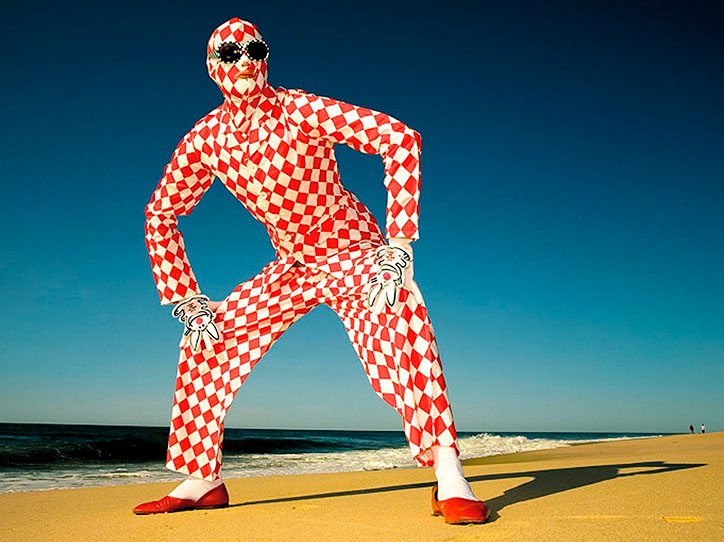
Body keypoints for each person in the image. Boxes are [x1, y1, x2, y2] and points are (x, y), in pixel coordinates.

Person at [133, 18, 489, 524]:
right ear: (213, 67)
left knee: (401, 318)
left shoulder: (301, 108)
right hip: (293, 265)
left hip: (352, 249)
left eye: (255, 49)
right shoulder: (205, 140)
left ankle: (449, 471)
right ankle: (202, 479)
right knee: (208, 338)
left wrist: (398, 244)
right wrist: (186, 298)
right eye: (231, 54)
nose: (245, 61)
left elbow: (399, 139)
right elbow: (160, 213)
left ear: (266, 56)